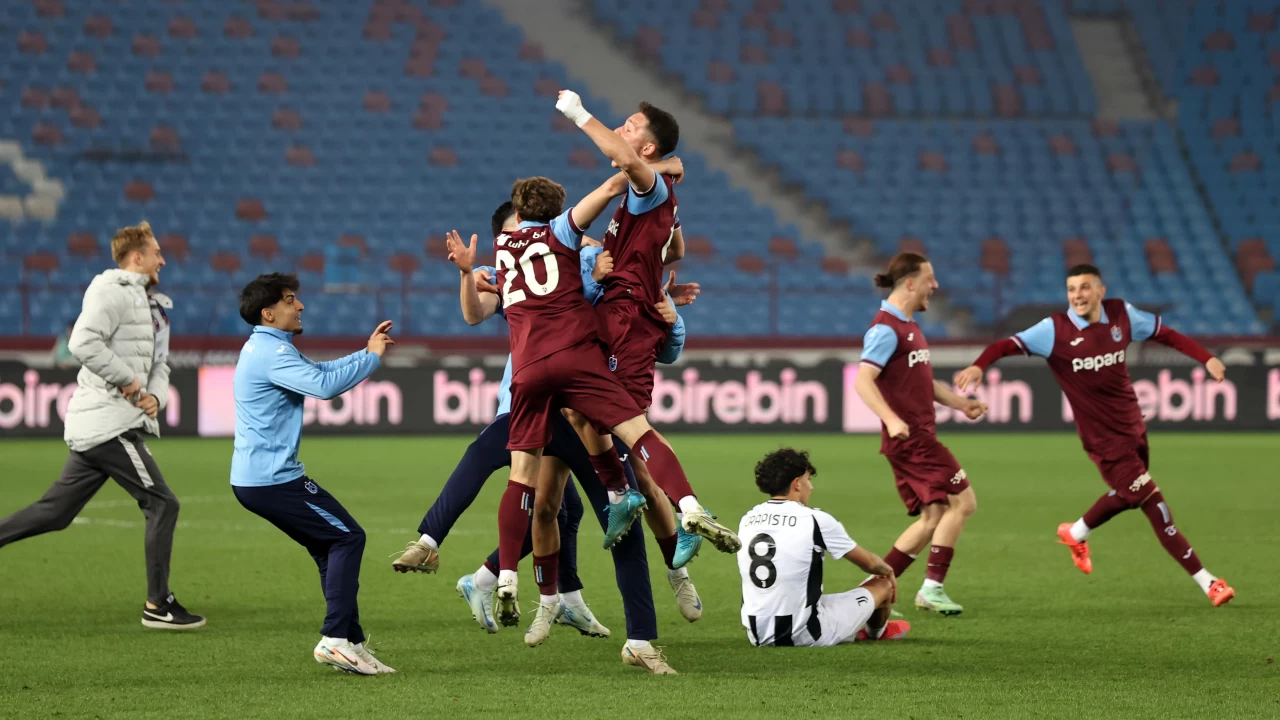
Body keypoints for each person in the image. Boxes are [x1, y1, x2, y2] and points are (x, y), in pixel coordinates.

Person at [493, 171, 738, 652]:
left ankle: (676, 572)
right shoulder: (579, 248)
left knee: (641, 481)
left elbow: (668, 259)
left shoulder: (592, 250)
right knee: (546, 504)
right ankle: (549, 606)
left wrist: (669, 312)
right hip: (564, 388)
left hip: (567, 376)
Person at [953, 263, 1235, 606]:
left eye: (1085, 288)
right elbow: (1004, 346)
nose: (1077, 296)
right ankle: (1209, 583)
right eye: (1072, 290)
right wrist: (979, 365)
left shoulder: (1122, 315)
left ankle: (1076, 532)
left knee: (1128, 495)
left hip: (1133, 427)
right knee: (1153, 504)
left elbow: (1167, 335)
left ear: (1100, 290)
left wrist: (1206, 359)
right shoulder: (1053, 330)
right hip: (1102, 440)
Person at [0, 221, 202, 630]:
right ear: (136, 257)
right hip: (109, 423)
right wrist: (129, 381)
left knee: (55, 513)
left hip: (108, 422)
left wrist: (155, 397)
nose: (163, 259)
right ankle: (157, 605)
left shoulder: (155, 307)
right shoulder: (109, 290)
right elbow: (82, 343)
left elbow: (160, 364)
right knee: (163, 504)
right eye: (156, 252)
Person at [558, 91, 727, 576]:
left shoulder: (649, 186)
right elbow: (669, 252)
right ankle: (622, 495)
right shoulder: (650, 192)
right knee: (581, 411)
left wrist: (578, 114)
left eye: (630, 125)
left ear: (646, 150)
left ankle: (687, 509)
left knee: (631, 427)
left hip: (627, 318)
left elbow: (624, 158)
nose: (622, 128)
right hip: (620, 310)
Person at [229, 273, 397, 675]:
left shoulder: (268, 346)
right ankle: (335, 639)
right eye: (290, 300)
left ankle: (351, 644)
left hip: (262, 478)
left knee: (330, 547)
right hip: (273, 480)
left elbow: (319, 370)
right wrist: (371, 358)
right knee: (348, 536)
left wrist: (365, 351)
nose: (300, 306)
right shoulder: (271, 353)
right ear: (269, 313)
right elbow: (323, 386)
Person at [853, 252, 987, 616]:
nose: (936, 285)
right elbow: (863, 381)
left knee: (933, 515)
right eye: (930, 278)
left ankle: (870, 595)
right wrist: (892, 419)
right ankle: (932, 587)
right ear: (910, 282)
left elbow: (922, 383)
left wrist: (961, 404)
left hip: (914, 438)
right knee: (964, 502)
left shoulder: (908, 325)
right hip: (913, 441)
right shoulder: (884, 329)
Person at [738, 448, 909, 647]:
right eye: (808, 480)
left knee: (808, 597)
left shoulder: (748, 518)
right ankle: (876, 633)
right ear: (796, 484)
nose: (810, 486)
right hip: (805, 634)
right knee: (882, 585)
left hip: (757, 634)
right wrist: (888, 572)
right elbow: (870, 564)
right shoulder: (815, 520)